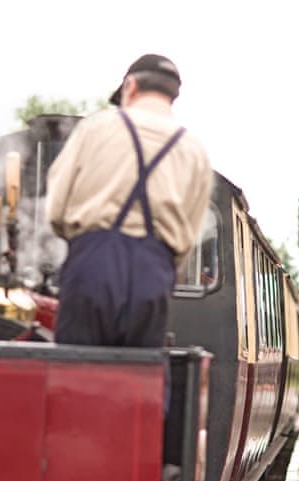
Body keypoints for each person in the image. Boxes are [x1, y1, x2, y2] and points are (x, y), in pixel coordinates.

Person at [47, 53, 213, 347]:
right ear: (172, 95)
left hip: (92, 263)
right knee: (136, 381)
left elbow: (57, 208)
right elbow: (189, 234)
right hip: (153, 272)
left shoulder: (96, 128)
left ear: (130, 86)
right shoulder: (194, 150)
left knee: (75, 376)